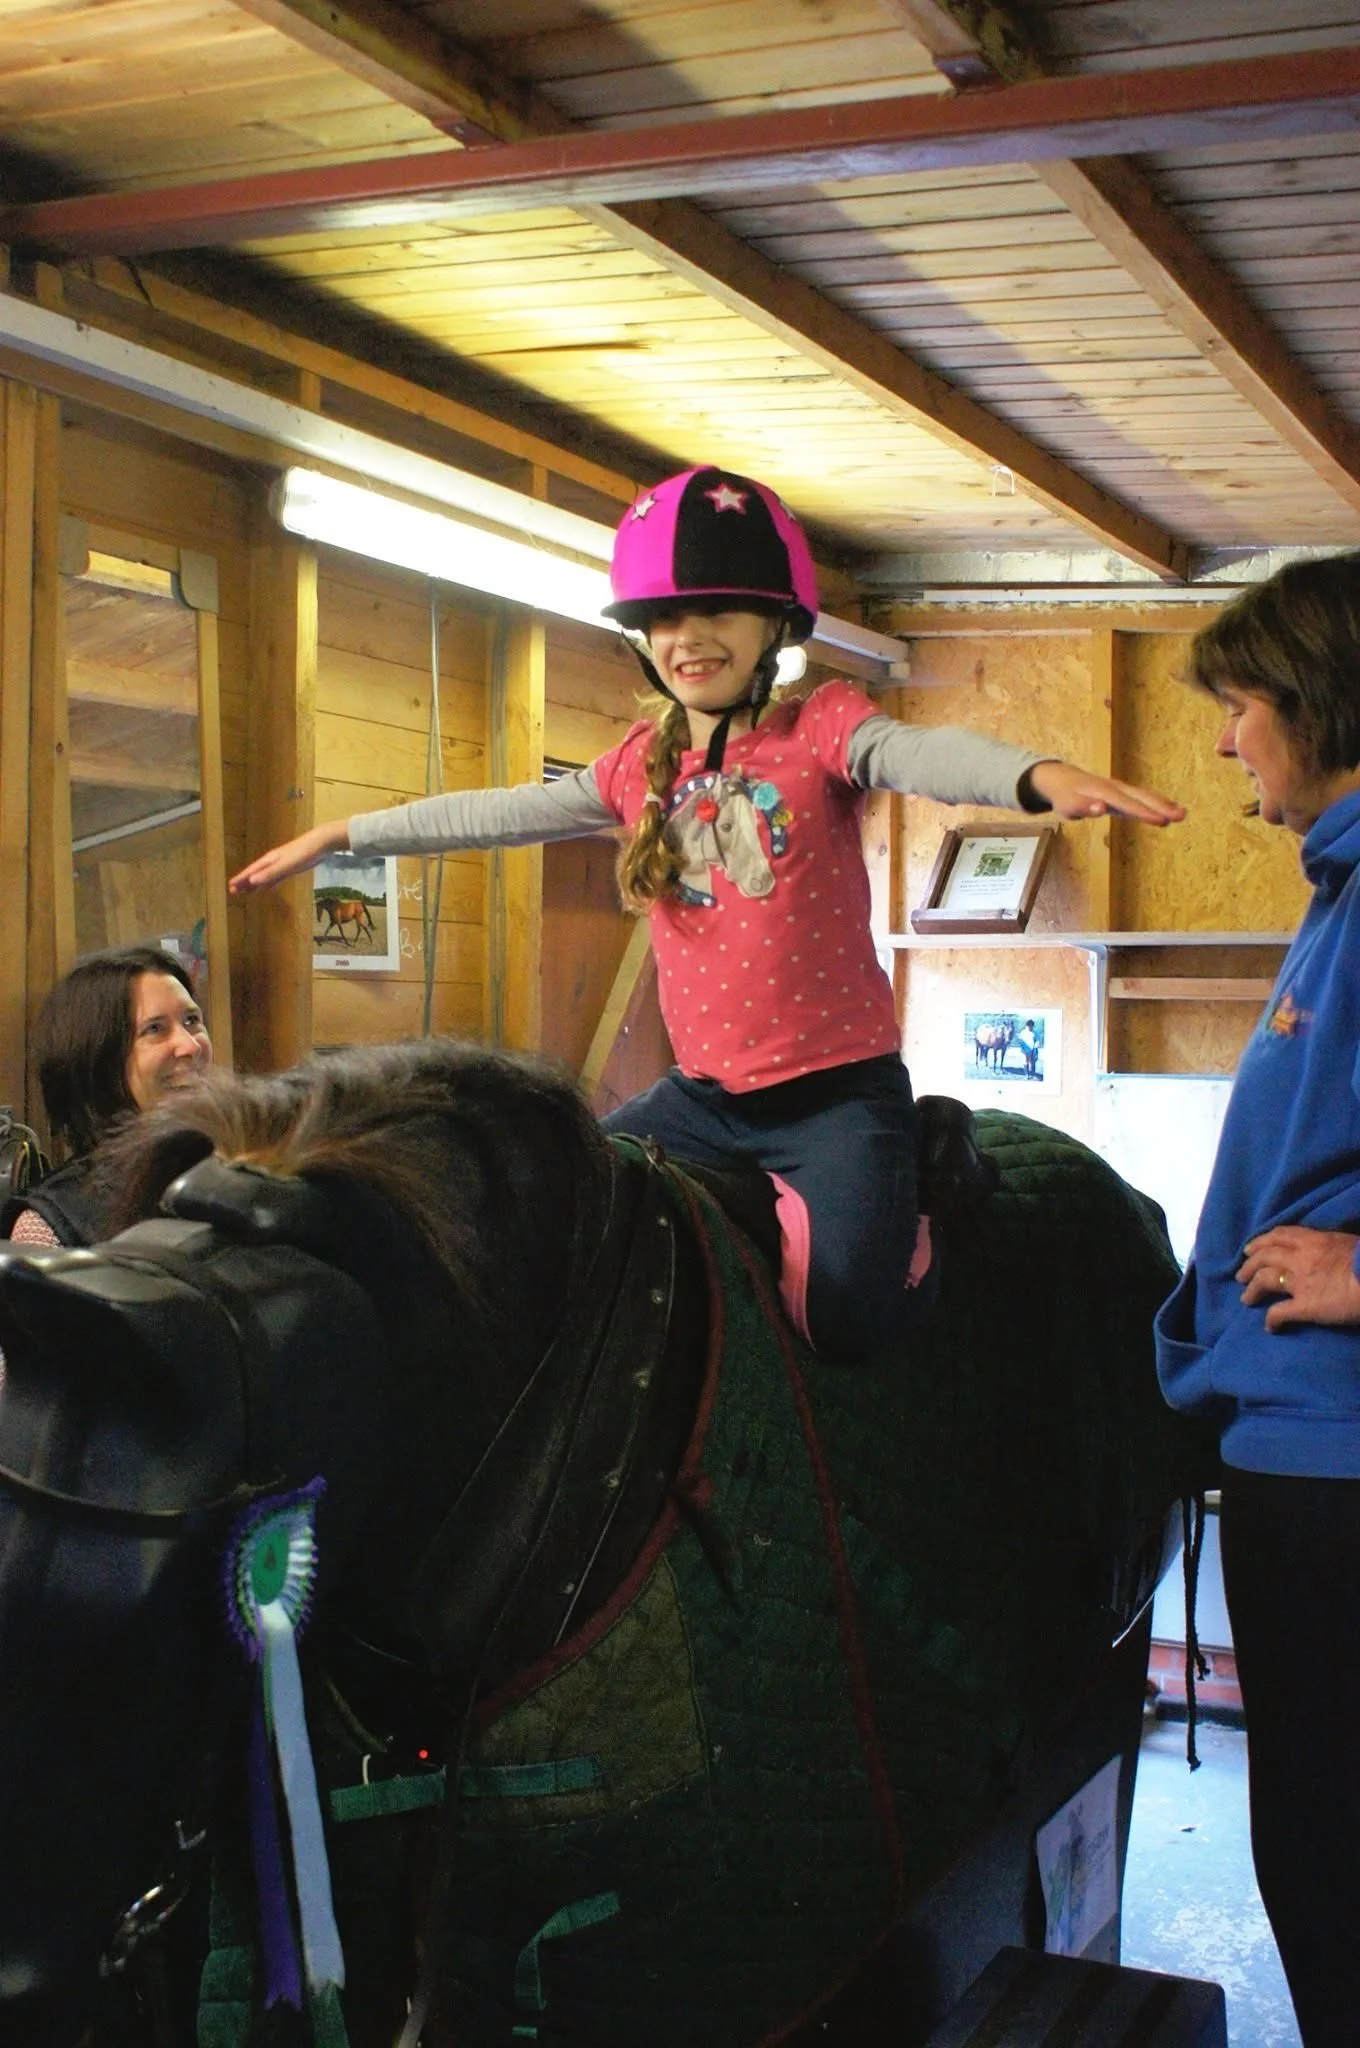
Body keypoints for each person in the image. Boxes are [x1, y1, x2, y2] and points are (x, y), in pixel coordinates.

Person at [231, 465, 1182, 1358]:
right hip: (702, 1100)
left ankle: (921, 1204)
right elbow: (498, 811)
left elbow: (916, 753)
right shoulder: (634, 769)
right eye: (666, 618)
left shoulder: (821, 729)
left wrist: (1031, 777)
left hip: (833, 1101)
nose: (690, 637)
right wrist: (344, 834)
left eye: (719, 611)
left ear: (774, 625)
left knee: (848, 1319)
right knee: (575, 1219)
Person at [1154, 551, 1360, 2048]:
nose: (1230, 740)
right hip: (1294, 1438)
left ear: (1319, 699)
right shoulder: (1341, 891)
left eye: (1239, 703)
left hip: (1340, 1457)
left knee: (1333, 1847)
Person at [2, 944, 213, 1247]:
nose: (191, 1046)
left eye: (192, 1021)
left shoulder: (248, 1172)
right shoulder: (52, 1228)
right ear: (98, 1062)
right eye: (155, 1029)